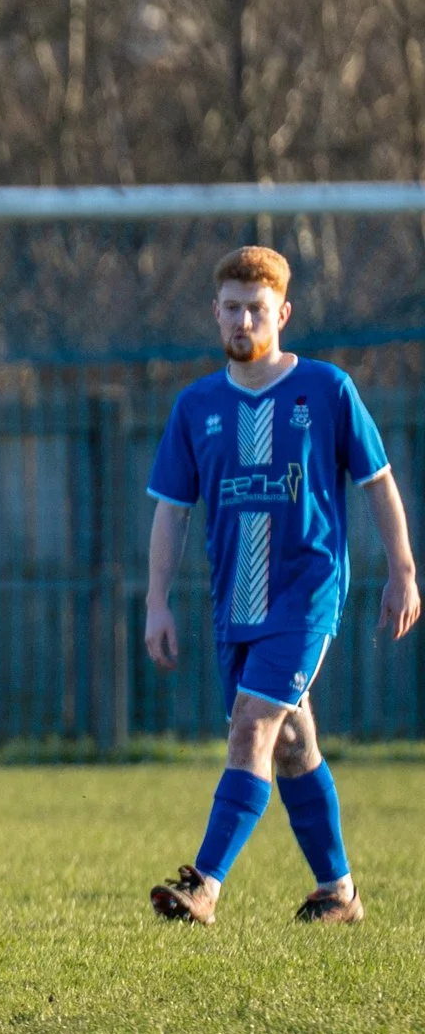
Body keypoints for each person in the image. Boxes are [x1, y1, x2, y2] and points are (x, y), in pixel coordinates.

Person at [145, 246, 419, 926]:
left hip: (306, 594)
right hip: (235, 603)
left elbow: (378, 481)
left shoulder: (326, 389)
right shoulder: (196, 405)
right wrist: (155, 600)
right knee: (293, 744)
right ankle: (339, 890)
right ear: (215, 313)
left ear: (283, 313)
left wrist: (404, 569)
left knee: (251, 730)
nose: (243, 319)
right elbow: (171, 510)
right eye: (232, 307)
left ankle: (204, 884)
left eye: (257, 308)